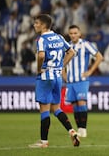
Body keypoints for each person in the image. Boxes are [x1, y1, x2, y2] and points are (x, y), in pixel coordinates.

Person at [29, 14, 80, 148]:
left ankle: (44, 142)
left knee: (44, 110)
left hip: (45, 78)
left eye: (36, 23)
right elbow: (72, 52)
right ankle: (72, 131)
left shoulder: (42, 39)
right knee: (56, 108)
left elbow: (41, 55)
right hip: (57, 78)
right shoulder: (59, 37)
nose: (34, 25)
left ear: (43, 25)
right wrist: (61, 66)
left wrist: (39, 68)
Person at [64, 24, 103, 138]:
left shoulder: (85, 44)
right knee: (75, 105)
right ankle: (79, 128)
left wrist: (90, 71)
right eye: (71, 33)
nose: (73, 35)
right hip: (70, 81)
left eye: (75, 33)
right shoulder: (67, 46)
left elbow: (99, 56)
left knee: (82, 102)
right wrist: (64, 75)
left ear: (80, 34)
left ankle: (83, 128)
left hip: (82, 80)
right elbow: (62, 63)